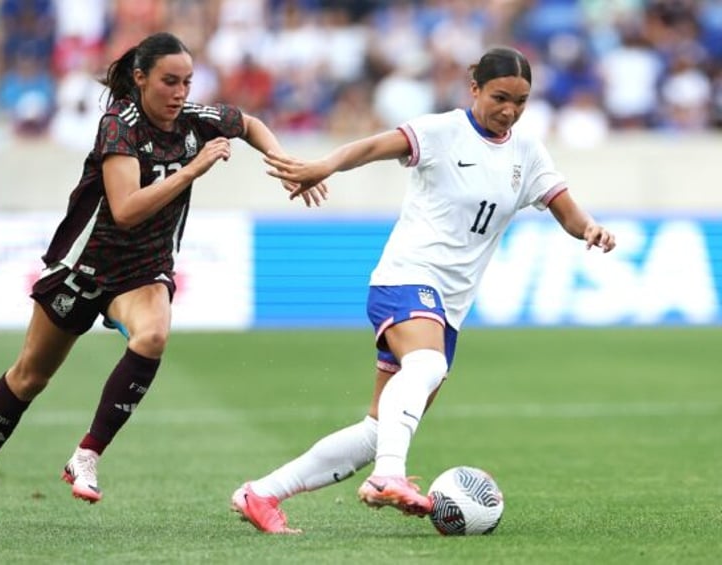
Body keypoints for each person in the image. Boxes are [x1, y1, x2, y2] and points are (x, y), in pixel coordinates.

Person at [230, 46, 616, 534]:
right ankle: (388, 477)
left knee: (378, 429)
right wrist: (324, 165)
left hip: (449, 306)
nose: (510, 110)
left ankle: (261, 493)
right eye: (500, 97)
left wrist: (589, 229)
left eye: (520, 101)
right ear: (474, 87)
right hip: (406, 277)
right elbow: (371, 147)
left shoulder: (528, 152)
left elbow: (564, 207)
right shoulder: (441, 131)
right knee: (426, 366)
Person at [0, 31, 325, 530]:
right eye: (169, 81)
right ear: (141, 77)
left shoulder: (195, 119)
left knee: (153, 335)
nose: (180, 92)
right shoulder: (119, 126)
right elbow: (126, 209)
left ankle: (87, 454)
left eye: (188, 82)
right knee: (30, 377)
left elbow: (250, 123)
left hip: (142, 269)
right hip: (82, 267)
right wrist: (193, 169)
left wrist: (287, 165)